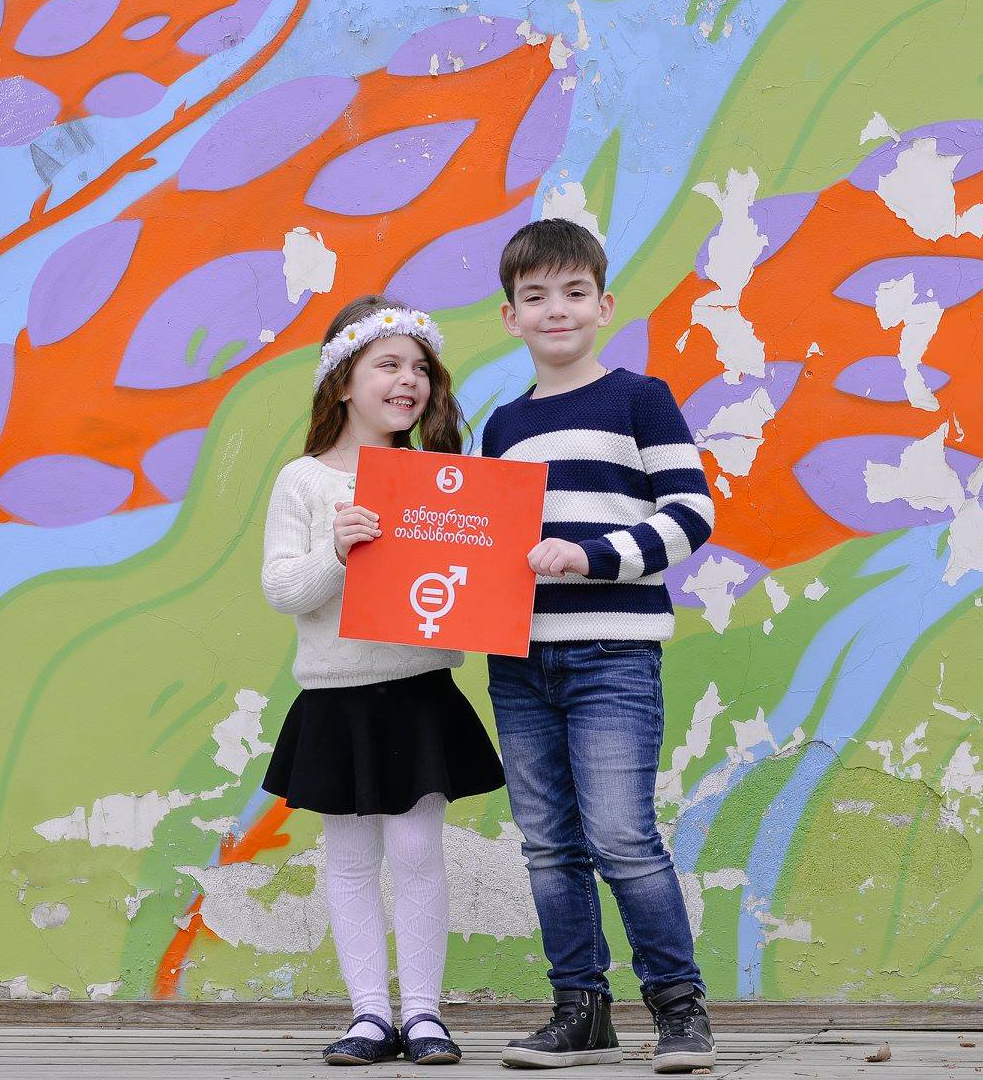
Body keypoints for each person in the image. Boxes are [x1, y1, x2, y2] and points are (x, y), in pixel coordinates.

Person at [479, 220, 719, 1073]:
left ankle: (679, 1010)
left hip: (613, 655)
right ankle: (579, 1012)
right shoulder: (502, 426)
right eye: (536, 296)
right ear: (510, 316)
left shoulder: (639, 399)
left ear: (604, 305)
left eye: (574, 292)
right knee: (548, 844)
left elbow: (691, 513)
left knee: (621, 836)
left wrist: (594, 556)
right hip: (518, 662)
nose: (557, 309)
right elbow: (485, 544)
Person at [260, 295, 505, 1067]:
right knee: (349, 859)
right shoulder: (303, 482)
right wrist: (337, 551)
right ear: (341, 383)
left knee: (417, 850)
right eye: (388, 365)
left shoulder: (439, 482)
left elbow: (464, 586)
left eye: (420, 368)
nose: (409, 381)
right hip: (336, 699)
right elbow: (283, 590)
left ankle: (424, 1014)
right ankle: (370, 1014)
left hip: (418, 695)